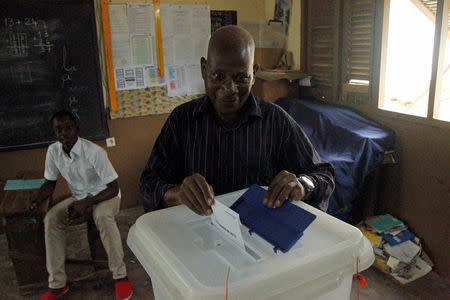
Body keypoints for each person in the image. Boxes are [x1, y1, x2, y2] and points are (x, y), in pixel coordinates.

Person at [140, 25, 334, 216]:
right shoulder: (181, 121)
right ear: (204, 69)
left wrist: (302, 184)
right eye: (218, 76)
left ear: (254, 74)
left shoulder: (275, 121)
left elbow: (324, 175)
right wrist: (178, 194)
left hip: (258, 235)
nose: (230, 88)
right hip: (197, 234)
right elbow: (148, 185)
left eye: (241, 77)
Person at [29, 111, 132, 300]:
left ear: (77, 128)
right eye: (58, 130)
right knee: (51, 218)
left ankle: (120, 276)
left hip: (106, 196)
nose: (64, 133)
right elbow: (50, 183)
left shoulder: (94, 152)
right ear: (54, 133)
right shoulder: (53, 151)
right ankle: (57, 284)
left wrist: (86, 203)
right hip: (79, 197)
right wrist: (38, 199)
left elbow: (113, 187)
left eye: (68, 127)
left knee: (101, 216)